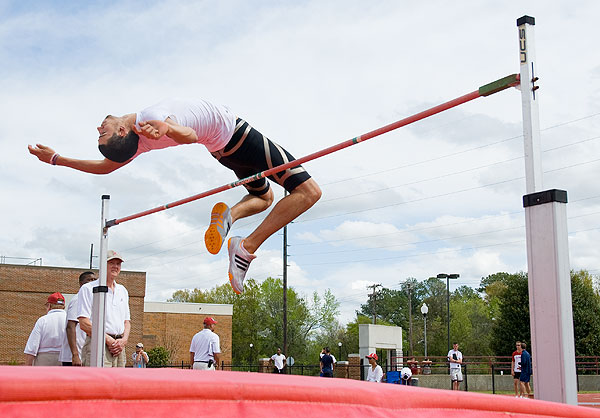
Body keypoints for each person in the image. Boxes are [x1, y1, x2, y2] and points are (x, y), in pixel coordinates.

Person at [28, 99, 322, 295]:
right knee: (309, 192)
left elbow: (105, 168)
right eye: (102, 133)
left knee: (265, 198)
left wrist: (57, 159)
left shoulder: (139, 139)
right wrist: (168, 128)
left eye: (99, 133)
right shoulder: (150, 119)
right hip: (238, 136)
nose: (98, 129)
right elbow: (190, 135)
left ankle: (228, 218)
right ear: (120, 130)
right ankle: (246, 247)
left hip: (223, 152)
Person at [78, 250, 131, 367]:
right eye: (111, 263)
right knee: (97, 383)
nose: (115, 266)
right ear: (102, 264)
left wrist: (123, 341)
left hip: (119, 347)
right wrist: (108, 340)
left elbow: (126, 322)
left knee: (119, 383)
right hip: (98, 344)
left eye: (118, 264)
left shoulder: (122, 291)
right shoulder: (88, 289)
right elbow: (84, 323)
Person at [59, 271, 96, 366]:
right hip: (75, 357)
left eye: (94, 280)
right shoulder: (78, 299)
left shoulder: (88, 300)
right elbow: (70, 327)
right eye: (89, 280)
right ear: (81, 283)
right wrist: (75, 355)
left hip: (83, 353)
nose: (92, 282)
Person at [24, 292, 67, 366]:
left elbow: (32, 346)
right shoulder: (69, 319)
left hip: (44, 359)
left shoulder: (43, 320)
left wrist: (28, 366)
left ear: (49, 305)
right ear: (64, 306)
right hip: (65, 358)